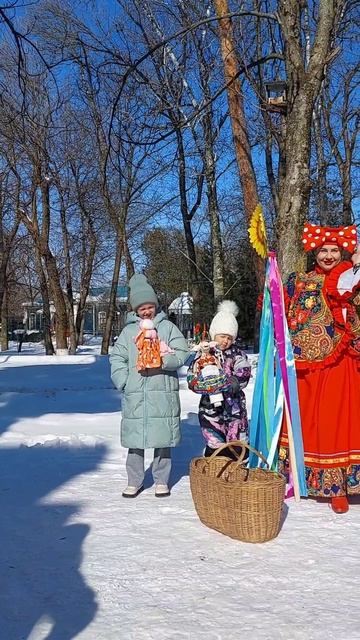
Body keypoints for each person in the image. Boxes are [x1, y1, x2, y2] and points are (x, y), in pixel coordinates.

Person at [279, 222, 360, 513]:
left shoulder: (351, 279)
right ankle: (297, 478)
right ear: (314, 250)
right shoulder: (298, 280)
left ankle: (337, 486)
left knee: (334, 422)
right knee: (305, 421)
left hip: (340, 361)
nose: (328, 255)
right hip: (302, 364)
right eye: (323, 249)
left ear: (343, 253)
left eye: (334, 250)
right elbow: (280, 309)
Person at [110, 274, 189, 498]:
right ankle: (134, 481)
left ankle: (161, 480)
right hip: (136, 393)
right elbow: (117, 359)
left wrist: (165, 360)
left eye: (150, 307)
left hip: (162, 393)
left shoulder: (168, 328)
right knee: (135, 441)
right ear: (136, 310)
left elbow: (183, 353)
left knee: (162, 439)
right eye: (142, 308)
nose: (147, 311)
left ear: (155, 306)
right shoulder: (128, 333)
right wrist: (123, 381)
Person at [187, 300, 251, 458]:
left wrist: (232, 382)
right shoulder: (205, 354)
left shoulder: (237, 354)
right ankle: (214, 476)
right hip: (211, 409)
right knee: (215, 443)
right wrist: (201, 384)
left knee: (237, 445)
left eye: (229, 337)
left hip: (234, 407)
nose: (225, 341)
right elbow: (192, 374)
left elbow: (244, 372)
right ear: (214, 334)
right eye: (222, 336)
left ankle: (236, 473)